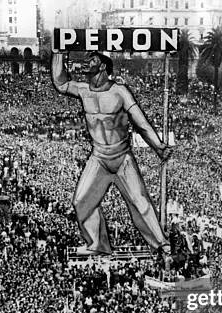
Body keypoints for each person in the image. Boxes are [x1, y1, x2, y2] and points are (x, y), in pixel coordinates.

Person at [51, 51, 171, 257]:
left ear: (104, 66)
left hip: (122, 156)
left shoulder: (120, 92)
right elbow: (61, 83)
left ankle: (161, 243)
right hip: (99, 157)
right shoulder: (82, 89)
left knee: (141, 203)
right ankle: (97, 244)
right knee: (81, 201)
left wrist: (158, 146)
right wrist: (58, 54)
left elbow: (140, 123)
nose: (87, 64)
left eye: (92, 60)